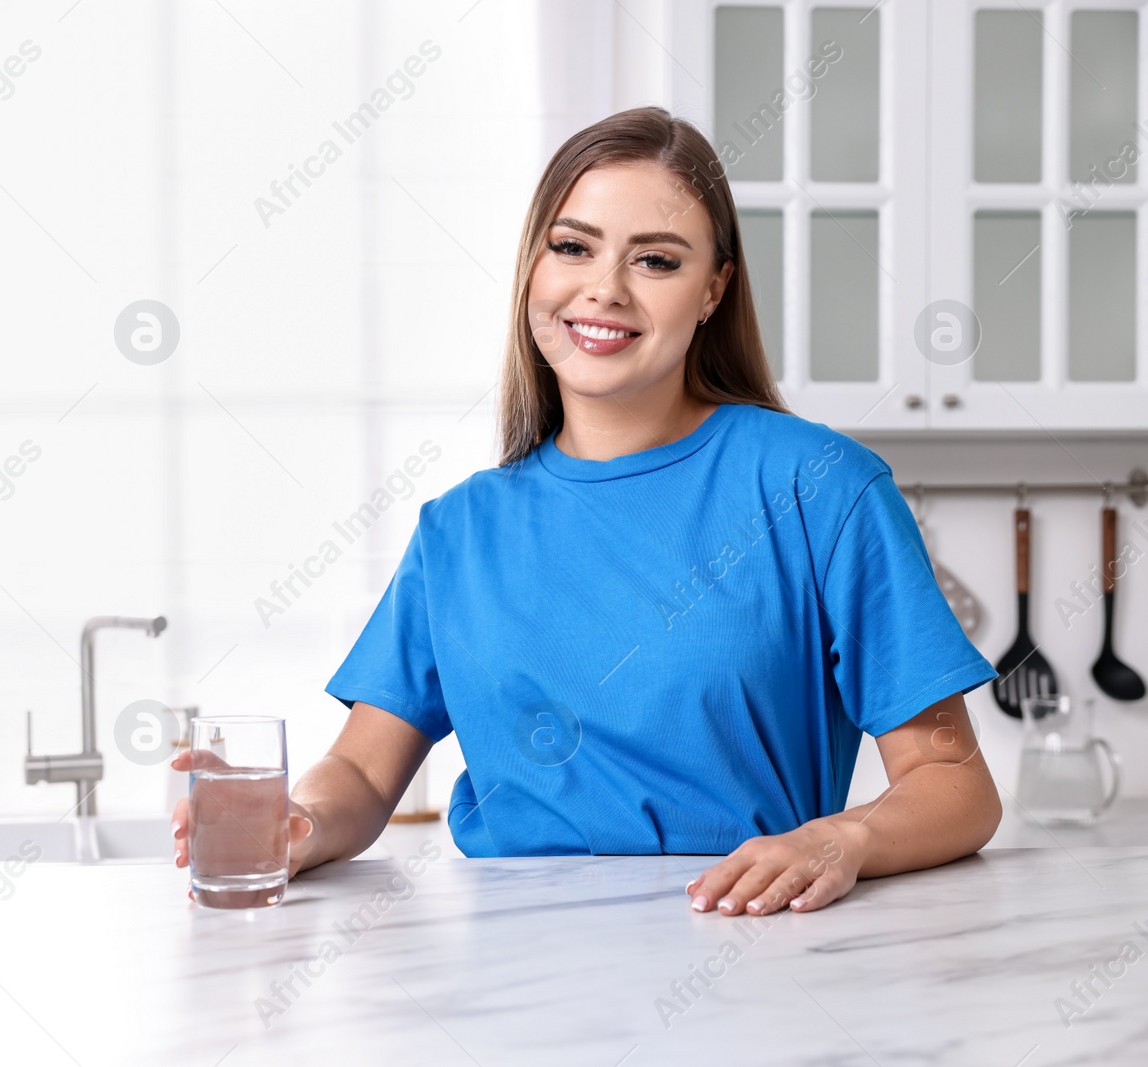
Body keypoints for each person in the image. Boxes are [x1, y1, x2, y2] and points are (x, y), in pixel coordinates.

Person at [172, 107, 1001, 917]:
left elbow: (953, 783)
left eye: (657, 261)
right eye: (572, 247)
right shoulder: (458, 532)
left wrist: (841, 839)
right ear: (535, 267)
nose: (603, 290)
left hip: (742, 952)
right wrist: (296, 821)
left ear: (714, 290)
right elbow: (358, 775)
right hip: (508, 984)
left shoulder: (819, 485)